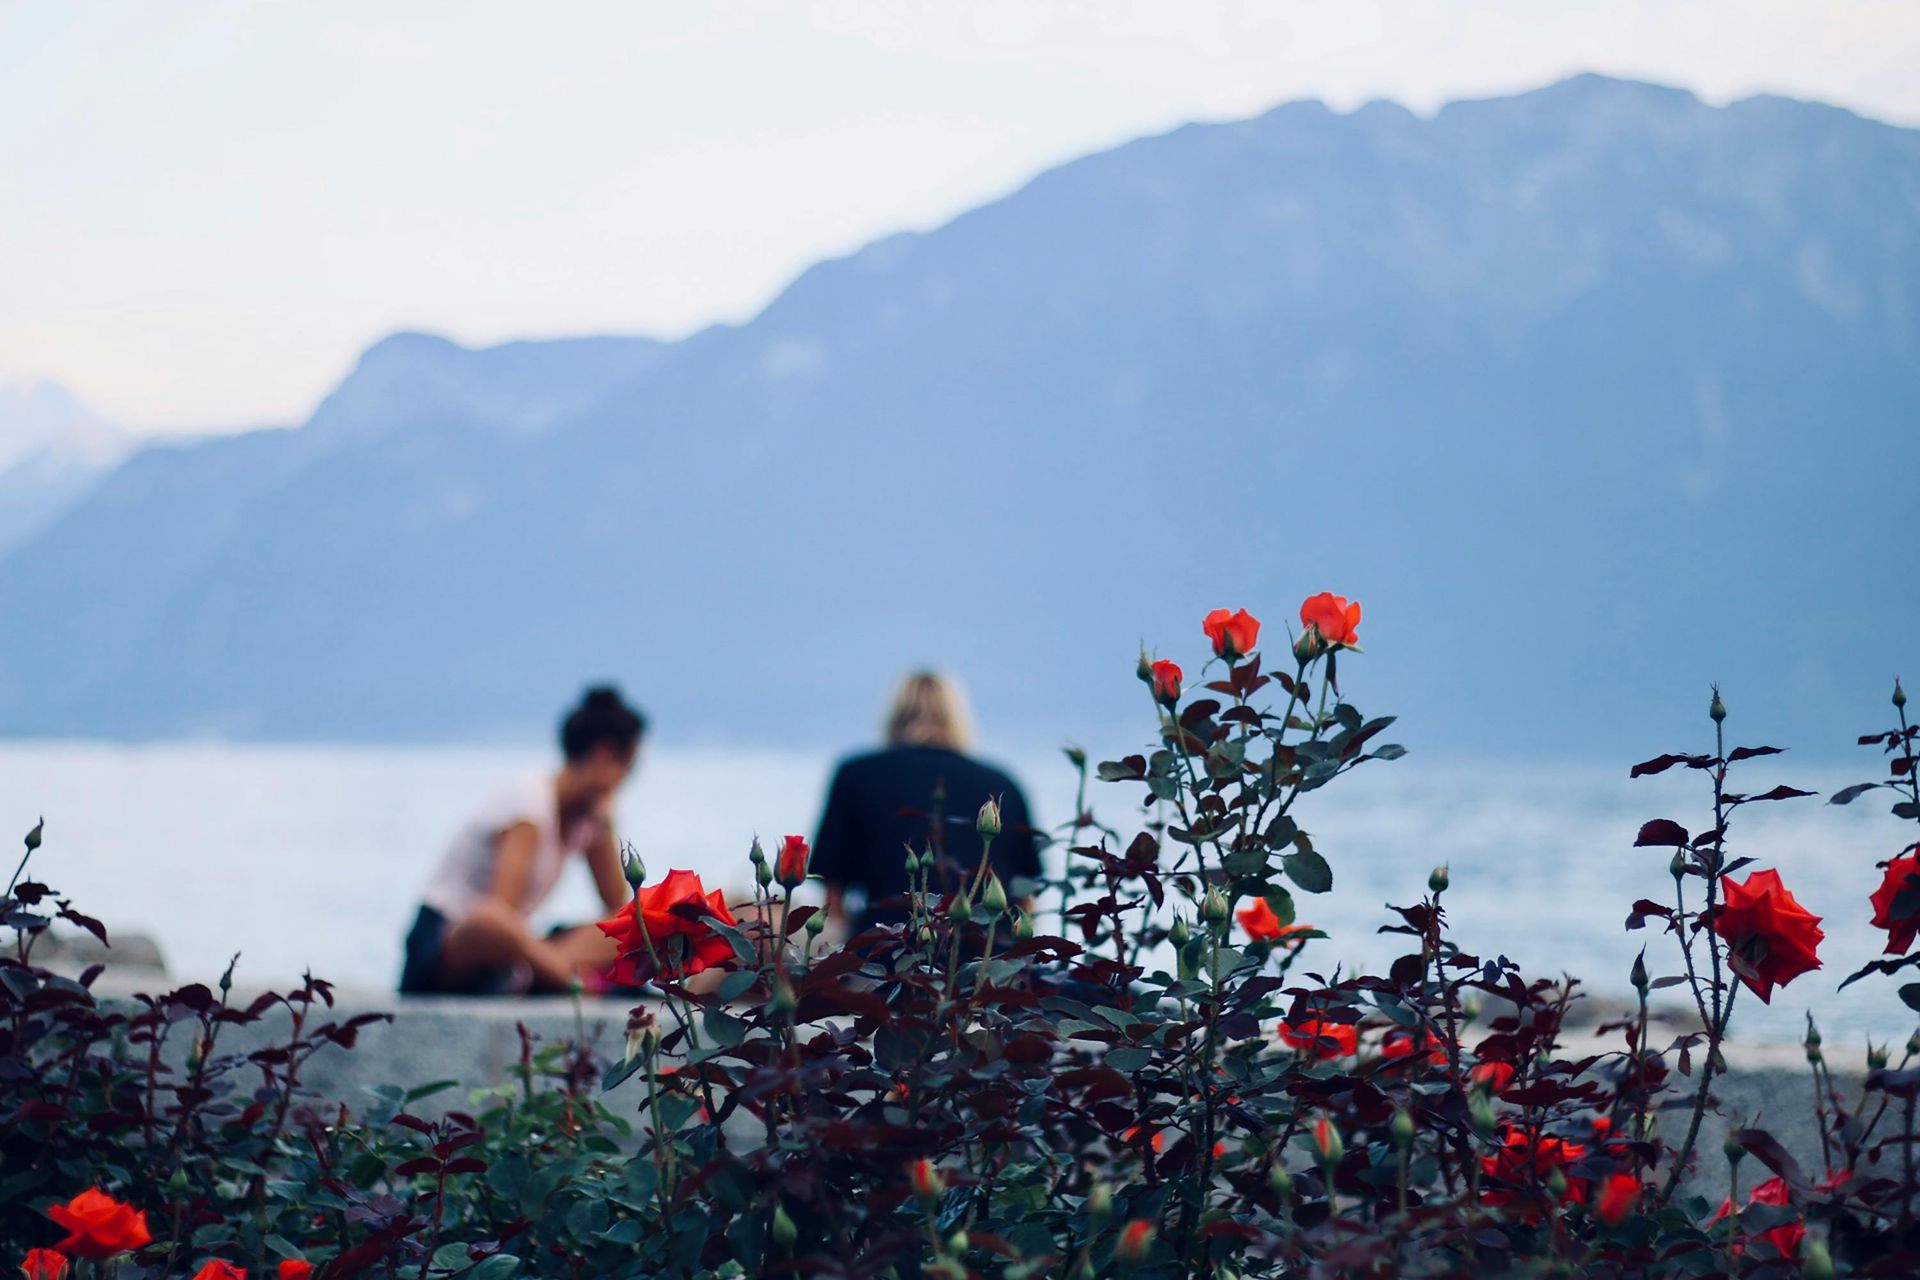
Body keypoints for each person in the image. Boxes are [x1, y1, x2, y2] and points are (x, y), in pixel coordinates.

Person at [399, 686, 643, 994]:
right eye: (627, 767)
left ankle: (552, 972)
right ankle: (575, 982)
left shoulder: (587, 816)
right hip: (450, 940)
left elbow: (614, 906)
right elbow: (504, 912)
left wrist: (606, 826)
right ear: (604, 755)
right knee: (490, 921)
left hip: (518, 950)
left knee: (635, 926)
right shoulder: (530, 804)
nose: (625, 780)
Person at [812, 671, 1041, 935]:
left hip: (886, 946)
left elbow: (833, 897)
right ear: (959, 717)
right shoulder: (1003, 784)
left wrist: (848, 950)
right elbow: (1026, 897)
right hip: (988, 953)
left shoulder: (856, 775)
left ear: (894, 714)